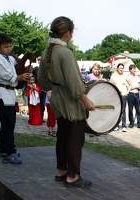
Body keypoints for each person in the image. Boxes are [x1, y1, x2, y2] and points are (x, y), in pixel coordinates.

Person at [38, 16, 94, 188]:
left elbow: (42, 81)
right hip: (70, 101)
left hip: (57, 97)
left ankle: (61, 170)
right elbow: (75, 83)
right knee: (75, 139)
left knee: (62, 136)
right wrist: (86, 100)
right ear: (68, 33)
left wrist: (55, 87)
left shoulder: (47, 51)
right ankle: (72, 176)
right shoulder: (65, 53)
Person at [0, 33, 32, 164]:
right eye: (5, 46)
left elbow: (17, 69)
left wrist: (26, 69)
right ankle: (10, 151)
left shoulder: (10, 58)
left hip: (10, 94)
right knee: (8, 124)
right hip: (2, 93)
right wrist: (18, 78)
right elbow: (6, 74)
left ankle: (4, 149)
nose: (9, 49)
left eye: (10, 46)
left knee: (9, 123)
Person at [110, 63, 132, 132]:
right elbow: (110, 84)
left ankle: (123, 125)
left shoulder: (125, 76)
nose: (121, 69)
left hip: (123, 95)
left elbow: (130, 85)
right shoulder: (113, 75)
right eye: (120, 68)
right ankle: (116, 125)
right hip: (116, 95)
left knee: (123, 110)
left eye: (122, 68)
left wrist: (127, 91)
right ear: (117, 68)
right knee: (116, 110)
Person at [127, 64, 140, 129]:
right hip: (131, 94)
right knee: (130, 110)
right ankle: (131, 122)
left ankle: (139, 123)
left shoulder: (137, 77)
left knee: (138, 109)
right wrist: (136, 87)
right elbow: (128, 88)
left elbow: (139, 85)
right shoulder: (128, 77)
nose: (135, 70)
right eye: (133, 69)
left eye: (135, 69)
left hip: (137, 94)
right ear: (130, 70)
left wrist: (139, 86)